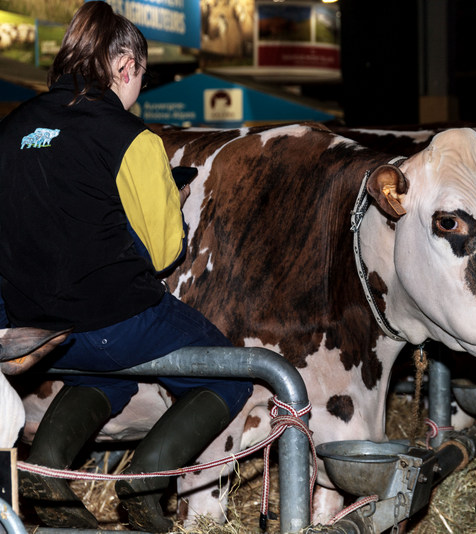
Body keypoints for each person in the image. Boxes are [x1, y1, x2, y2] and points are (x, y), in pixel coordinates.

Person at [0, 3, 252, 532]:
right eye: (142, 75)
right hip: (115, 322)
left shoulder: (11, 127)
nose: (140, 87)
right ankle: (146, 477)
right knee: (232, 374)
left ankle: (47, 466)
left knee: (105, 377)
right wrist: (170, 205)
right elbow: (163, 254)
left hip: (33, 329)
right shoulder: (131, 136)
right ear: (125, 65)